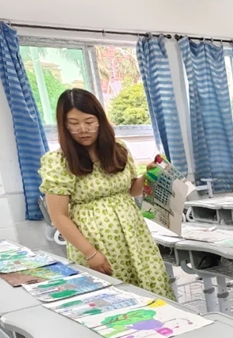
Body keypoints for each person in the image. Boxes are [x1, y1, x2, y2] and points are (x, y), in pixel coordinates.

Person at [39, 88, 175, 300]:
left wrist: (150, 175)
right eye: (73, 123)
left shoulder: (118, 148)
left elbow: (132, 190)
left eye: (89, 122)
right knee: (116, 299)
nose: (83, 129)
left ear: (100, 120)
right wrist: (90, 253)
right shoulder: (58, 161)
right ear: (64, 125)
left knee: (152, 290)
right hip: (95, 244)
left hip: (135, 237)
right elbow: (58, 215)